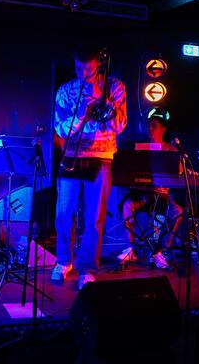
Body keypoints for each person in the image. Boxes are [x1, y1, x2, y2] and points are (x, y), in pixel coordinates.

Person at [53, 49, 127, 290]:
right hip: (71, 156)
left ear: (98, 65)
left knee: (94, 217)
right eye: (78, 69)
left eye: (88, 69)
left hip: (101, 157)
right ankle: (64, 261)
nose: (83, 74)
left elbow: (120, 125)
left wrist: (104, 102)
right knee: (64, 213)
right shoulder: (65, 91)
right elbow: (60, 129)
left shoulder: (115, 87)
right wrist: (79, 116)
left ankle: (87, 269)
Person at [118, 108, 184, 269]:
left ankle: (160, 251)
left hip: (161, 196)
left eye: (154, 125)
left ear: (164, 129)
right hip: (142, 195)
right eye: (149, 125)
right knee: (127, 205)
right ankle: (130, 248)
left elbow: (179, 173)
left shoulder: (171, 150)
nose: (150, 128)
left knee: (177, 212)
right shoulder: (140, 148)